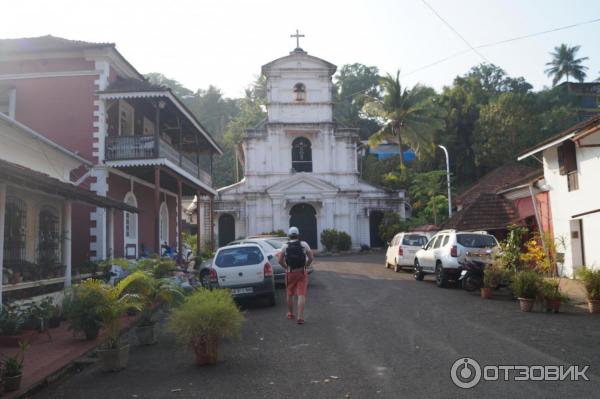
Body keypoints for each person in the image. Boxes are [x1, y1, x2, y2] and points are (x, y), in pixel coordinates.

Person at [278, 226, 314, 324]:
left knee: (290, 293)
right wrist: (306, 266)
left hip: (290, 272)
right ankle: (300, 318)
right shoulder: (304, 244)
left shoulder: (285, 246)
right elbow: (311, 258)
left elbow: (280, 261)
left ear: (289, 236)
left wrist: (286, 268)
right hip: (302, 272)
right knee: (301, 294)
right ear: (298, 235)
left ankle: (290, 313)